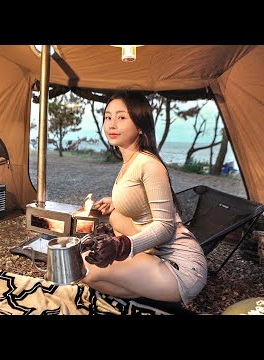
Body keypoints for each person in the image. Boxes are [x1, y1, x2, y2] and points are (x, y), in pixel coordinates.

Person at [81, 90, 208, 305]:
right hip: (153, 256)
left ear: (140, 126)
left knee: (82, 267)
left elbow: (166, 227)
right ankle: (146, 291)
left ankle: (154, 291)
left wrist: (121, 246)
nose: (112, 124)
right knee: (91, 258)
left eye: (121, 117)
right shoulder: (130, 162)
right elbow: (140, 200)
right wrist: (115, 202)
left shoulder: (148, 164)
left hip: (180, 266)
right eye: (108, 117)